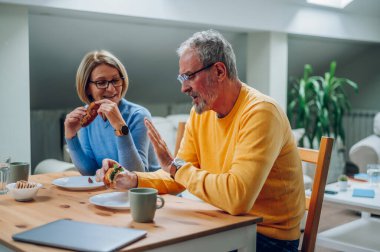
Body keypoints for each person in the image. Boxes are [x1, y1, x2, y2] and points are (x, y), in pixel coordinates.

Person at [96, 30, 305, 251]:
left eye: (189, 76)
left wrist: (176, 168)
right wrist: (133, 179)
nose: (183, 87)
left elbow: (236, 198)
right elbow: (178, 176)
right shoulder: (200, 113)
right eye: (181, 78)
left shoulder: (261, 112)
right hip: (224, 222)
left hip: (267, 237)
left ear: (219, 71)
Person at [64, 50, 159, 175]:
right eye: (101, 82)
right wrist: (70, 135)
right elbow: (89, 172)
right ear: (87, 88)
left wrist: (120, 126)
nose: (111, 89)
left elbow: (136, 175)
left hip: (151, 192)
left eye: (115, 80)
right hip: (112, 191)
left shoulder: (138, 115)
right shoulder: (89, 115)